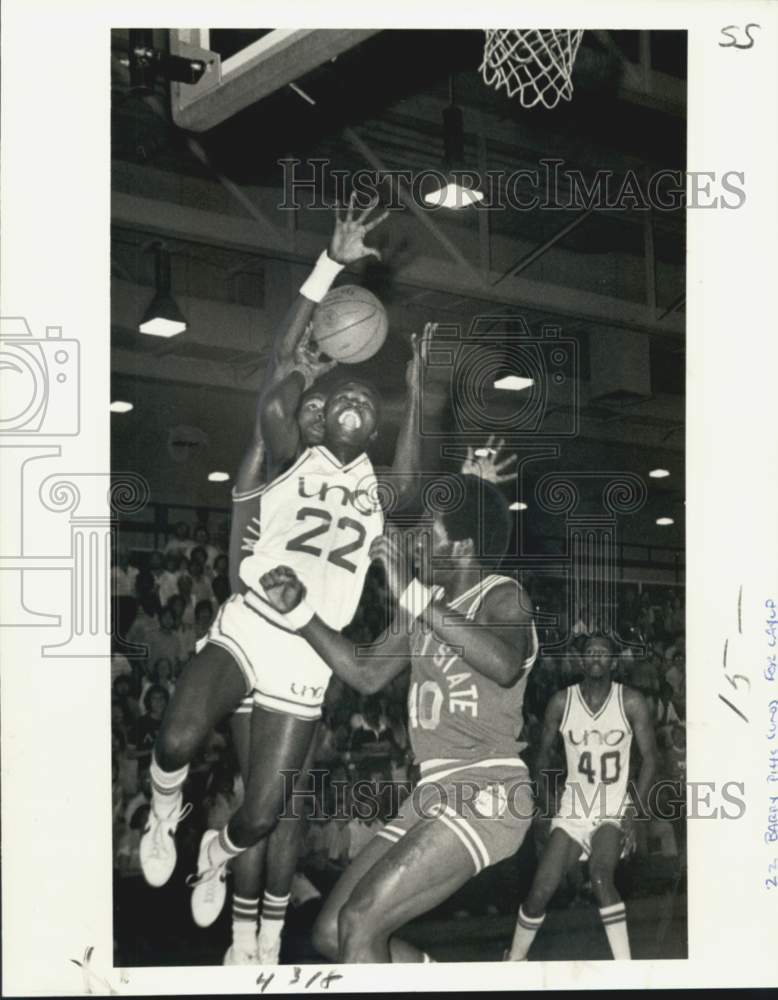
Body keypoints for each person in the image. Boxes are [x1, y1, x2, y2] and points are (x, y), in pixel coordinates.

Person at [139, 197, 429, 942]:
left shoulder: (374, 489)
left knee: (263, 815)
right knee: (174, 741)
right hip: (254, 621)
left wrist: (419, 396)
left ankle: (216, 854)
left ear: (374, 421)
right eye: (345, 396)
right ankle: (166, 809)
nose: (358, 401)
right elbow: (278, 370)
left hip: (311, 651)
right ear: (323, 413)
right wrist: (328, 266)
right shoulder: (288, 457)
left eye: (370, 399)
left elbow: (411, 482)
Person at [259, 473, 538, 963]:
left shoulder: (503, 596)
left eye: (428, 533)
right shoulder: (423, 609)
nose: (418, 543)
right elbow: (365, 672)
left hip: (488, 790)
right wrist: (300, 612)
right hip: (431, 792)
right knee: (332, 932)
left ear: (463, 546)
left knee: (359, 921)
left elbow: (505, 663)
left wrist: (412, 594)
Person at [506, 634, 657, 962]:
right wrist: (546, 807)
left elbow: (651, 759)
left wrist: (635, 814)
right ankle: (513, 962)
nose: (596, 658)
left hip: (613, 809)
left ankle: (625, 970)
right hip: (573, 809)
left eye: (603, 653)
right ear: (581, 661)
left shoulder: (630, 701)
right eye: (590, 653)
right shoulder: (561, 702)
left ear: (614, 662)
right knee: (539, 893)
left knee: (601, 876)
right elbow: (541, 759)